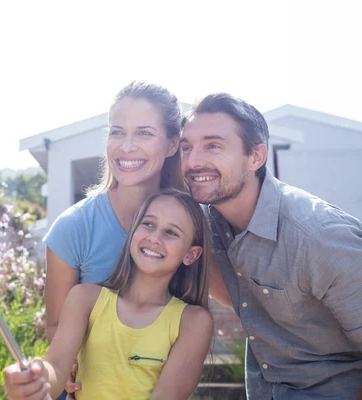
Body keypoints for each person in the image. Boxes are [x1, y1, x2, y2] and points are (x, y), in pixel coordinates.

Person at [180, 92, 362, 399]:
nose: (193, 161)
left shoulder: (320, 236)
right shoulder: (210, 222)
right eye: (186, 147)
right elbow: (239, 298)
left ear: (256, 157)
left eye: (213, 145)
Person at [42, 81, 229, 398]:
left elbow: (231, 298)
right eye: (117, 131)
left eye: (144, 133)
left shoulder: (193, 224)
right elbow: (57, 335)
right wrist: (55, 372)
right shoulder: (73, 228)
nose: (126, 146)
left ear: (172, 145)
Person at [3, 189, 214, 400]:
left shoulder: (193, 322)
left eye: (171, 233)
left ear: (191, 254)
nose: (154, 238)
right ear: (133, 230)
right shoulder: (85, 299)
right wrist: (36, 380)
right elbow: (56, 368)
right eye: (148, 224)